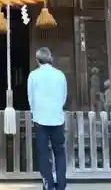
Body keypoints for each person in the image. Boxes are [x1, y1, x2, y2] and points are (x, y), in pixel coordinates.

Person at [27, 47, 67, 190]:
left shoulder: (33, 75)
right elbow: (64, 97)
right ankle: (61, 184)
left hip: (40, 119)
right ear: (50, 58)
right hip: (57, 118)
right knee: (59, 152)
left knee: (43, 153)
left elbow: (30, 98)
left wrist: (35, 111)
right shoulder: (60, 74)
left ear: (37, 61)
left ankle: (48, 184)